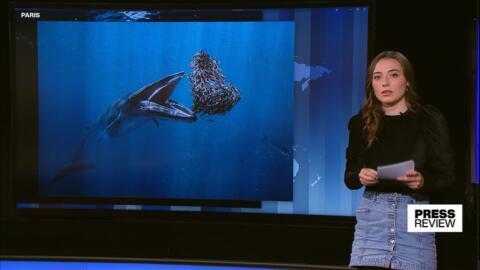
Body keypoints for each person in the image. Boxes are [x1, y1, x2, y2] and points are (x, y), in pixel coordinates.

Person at [344, 51, 455, 270]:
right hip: (372, 220)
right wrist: (360, 175)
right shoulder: (360, 123)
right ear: (372, 85)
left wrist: (423, 182)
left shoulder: (429, 119)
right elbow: (349, 179)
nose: (384, 83)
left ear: (407, 82)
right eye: (377, 77)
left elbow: (449, 178)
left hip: (417, 215)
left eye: (393, 75)